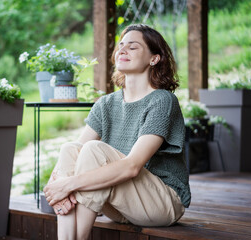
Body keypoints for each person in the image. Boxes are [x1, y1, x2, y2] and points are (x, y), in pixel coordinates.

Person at [43, 24, 191, 240]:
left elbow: (132, 167)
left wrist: (66, 185)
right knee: (70, 149)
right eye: (121, 45)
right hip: (119, 205)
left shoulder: (162, 101)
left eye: (133, 47)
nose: (122, 50)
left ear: (154, 59)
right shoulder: (106, 104)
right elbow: (75, 156)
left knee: (93, 150)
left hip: (160, 203)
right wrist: (61, 187)